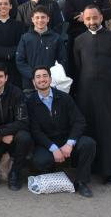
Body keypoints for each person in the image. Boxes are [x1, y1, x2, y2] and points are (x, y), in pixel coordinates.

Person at [73, 4, 111, 184]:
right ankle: (91, 167)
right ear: (84, 20)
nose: (92, 22)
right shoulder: (79, 41)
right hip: (87, 94)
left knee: (110, 130)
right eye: (88, 19)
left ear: (101, 18)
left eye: (94, 18)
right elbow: (78, 67)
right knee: (91, 129)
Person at [27, 66, 95, 198]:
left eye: (45, 76)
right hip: (47, 143)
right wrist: (53, 148)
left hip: (66, 139)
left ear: (50, 79)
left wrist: (70, 143)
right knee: (40, 161)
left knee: (88, 143)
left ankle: (81, 182)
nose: (42, 79)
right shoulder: (30, 103)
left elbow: (79, 121)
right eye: (38, 77)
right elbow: (35, 131)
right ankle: (53, 172)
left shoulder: (64, 98)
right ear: (33, 82)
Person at [63, 0, 111, 66]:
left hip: (99, 35)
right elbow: (67, 15)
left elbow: (108, 13)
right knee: (76, 65)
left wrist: (85, 16)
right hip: (76, 35)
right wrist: (92, 17)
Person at [15, 6, 68, 93]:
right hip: (30, 85)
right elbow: (20, 61)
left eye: (43, 17)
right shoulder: (25, 38)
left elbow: (63, 60)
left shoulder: (56, 38)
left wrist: (49, 76)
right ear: (32, 19)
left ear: (48, 19)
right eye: (37, 17)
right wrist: (34, 76)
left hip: (52, 84)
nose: (40, 20)